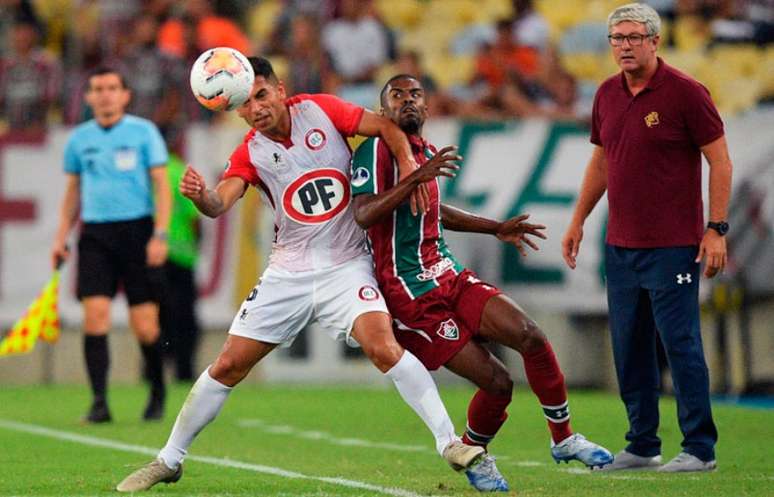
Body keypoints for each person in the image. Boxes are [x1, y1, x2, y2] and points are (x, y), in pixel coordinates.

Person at [115, 57, 484, 493]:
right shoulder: (249, 151)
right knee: (229, 365)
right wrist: (202, 197)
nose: (257, 109)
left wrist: (406, 165)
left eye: (262, 95)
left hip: (347, 264)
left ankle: (449, 444)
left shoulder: (322, 111)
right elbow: (219, 205)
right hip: (288, 272)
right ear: (236, 110)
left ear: (280, 89)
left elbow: (386, 126)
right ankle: (169, 459)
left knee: (383, 345)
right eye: (246, 104)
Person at [350, 74, 614, 491]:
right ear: (383, 111)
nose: (408, 101)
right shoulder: (375, 151)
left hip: (447, 272)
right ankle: (475, 455)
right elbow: (363, 214)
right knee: (497, 383)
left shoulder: (426, 153)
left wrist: (495, 227)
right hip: (410, 293)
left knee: (530, 336)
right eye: (397, 96)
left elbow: (435, 209)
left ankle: (563, 439)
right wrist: (415, 180)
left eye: (416, 95)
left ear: (428, 106)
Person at [561, 3, 731, 472]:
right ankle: (642, 444)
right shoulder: (605, 94)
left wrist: (716, 228)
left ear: (655, 41)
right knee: (629, 347)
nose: (625, 46)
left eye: (635, 37)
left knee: (679, 343)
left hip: (673, 244)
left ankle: (699, 448)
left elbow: (720, 160)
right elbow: (602, 162)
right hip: (620, 244)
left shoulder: (685, 92)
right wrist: (577, 220)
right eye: (617, 38)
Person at [50, 67, 171, 423]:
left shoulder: (143, 132)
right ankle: (99, 402)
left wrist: (160, 234)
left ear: (125, 95)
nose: (105, 94)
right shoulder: (79, 139)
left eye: (112, 88)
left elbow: (161, 187)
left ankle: (157, 391)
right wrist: (60, 237)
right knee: (95, 316)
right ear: (88, 97)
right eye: (98, 89)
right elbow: (73, 192)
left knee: (145, 325)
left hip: (137, 233)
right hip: (96, 236)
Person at [158, 145, 201, 382]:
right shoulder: (177, 171)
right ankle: (184, 372)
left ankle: (151, 372)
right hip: (182, 257)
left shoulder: (146, 173)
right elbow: (193, 217)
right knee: (184, 318)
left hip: (154, 255)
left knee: (156, 316)